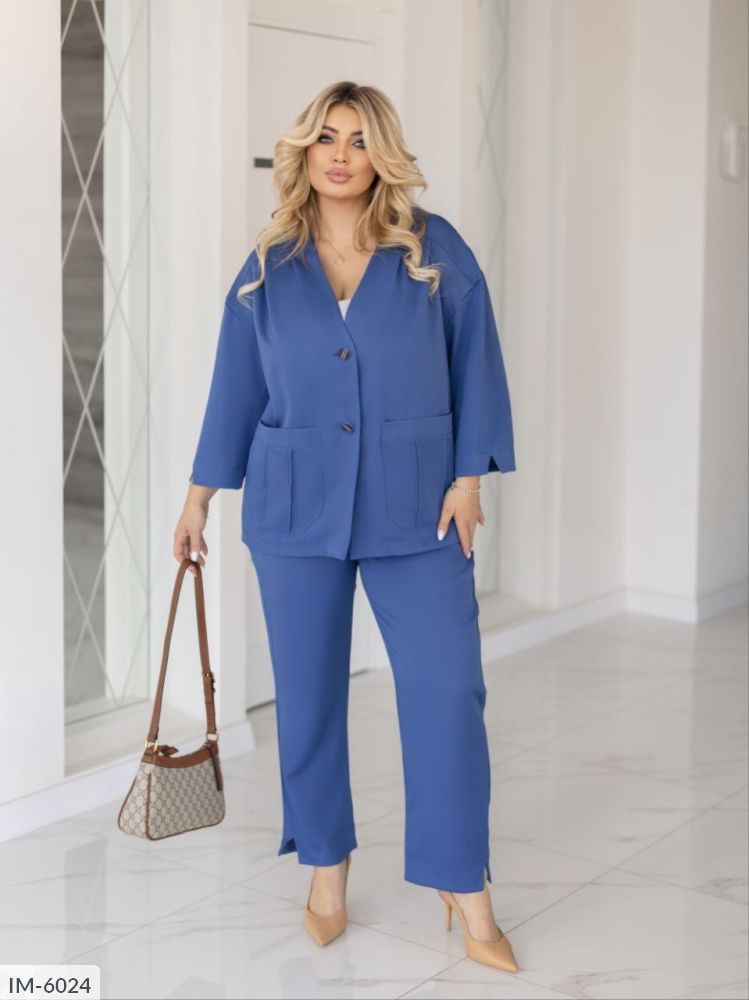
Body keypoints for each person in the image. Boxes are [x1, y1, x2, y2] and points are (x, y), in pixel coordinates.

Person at [173, 81, 518, 972]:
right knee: (308, 695)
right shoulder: (269, 262)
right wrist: (199, 497)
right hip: (294, 506)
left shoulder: (432, 250)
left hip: (419, 505)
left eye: (359, 140)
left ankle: (463, 883)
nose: (339, 154)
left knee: (447, 689)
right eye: (326, 137)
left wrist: (469, 478)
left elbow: (475, 358)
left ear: (380, 155)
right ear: (304, 150)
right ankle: (326, 866)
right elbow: (234, 384)